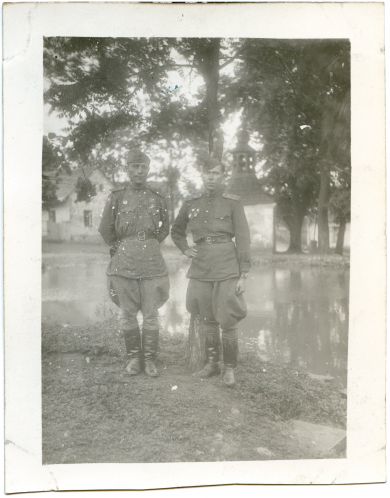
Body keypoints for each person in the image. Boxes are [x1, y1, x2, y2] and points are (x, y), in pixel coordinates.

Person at [171, 156, 251, 387]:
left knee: (227, 319)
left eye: (216, 173)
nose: (211, 177)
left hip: (227, 265)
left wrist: (243, 273)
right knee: (206, 318)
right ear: (202, 175)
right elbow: (176, 231)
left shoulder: (233, 203)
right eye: (207, 173)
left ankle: (229, 369)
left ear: (222, 175)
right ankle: (212, 364)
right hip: (202, 265)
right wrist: (186, 249)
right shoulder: (191, 203)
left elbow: (244, 239)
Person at [98, 149, 169, 377]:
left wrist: (148, 243)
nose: (139, 171)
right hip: (124, 262)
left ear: (148, 169)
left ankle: (149, 360)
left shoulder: (157, 197)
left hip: (151, 262)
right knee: (127, 314)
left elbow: (164, 227)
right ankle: (133, 360)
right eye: (134, 166)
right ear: (127, 169)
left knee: (151, 313)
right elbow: (105, 228)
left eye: (143, 167)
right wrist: (120, 246)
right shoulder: (117, 197)